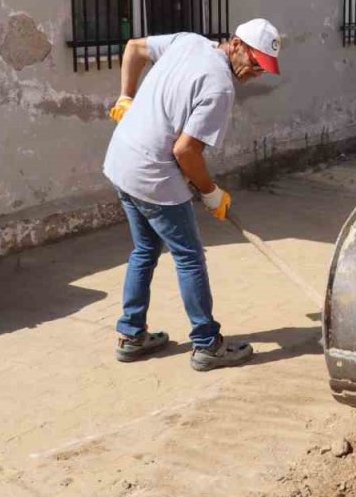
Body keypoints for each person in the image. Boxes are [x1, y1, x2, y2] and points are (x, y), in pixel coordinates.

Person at [102, 19, 282, 371]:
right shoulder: (219, 88)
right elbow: (186, 153)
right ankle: (207, 343)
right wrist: (211, 192)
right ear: (236, 44)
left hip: (121, 159)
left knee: (145, 249)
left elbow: (134, 48)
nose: (257, 72)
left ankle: (131, 334)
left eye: (265, 68)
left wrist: (126, 96)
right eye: (256, 62)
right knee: (189, 257)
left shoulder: (188, 41)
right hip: (152, 173)